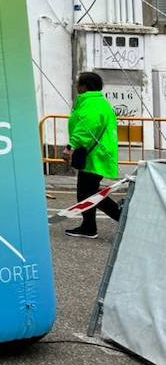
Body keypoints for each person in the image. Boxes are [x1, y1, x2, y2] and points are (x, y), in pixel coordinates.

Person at [63, 71, 122, 239]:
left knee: (89, 194)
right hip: (96, 154)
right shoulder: (96, 102)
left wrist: (70, 146)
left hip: (95, 156)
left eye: (78, 84)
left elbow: (86, 129)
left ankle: (124, 218)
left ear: (84, 86)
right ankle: (89, 227)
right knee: (86, 192)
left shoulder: (92, 104)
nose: (76, 86)